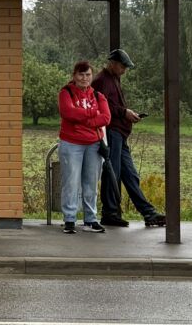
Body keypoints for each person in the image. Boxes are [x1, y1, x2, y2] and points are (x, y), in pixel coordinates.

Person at [92, 49, 166, 228]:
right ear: (113, 63)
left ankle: (148, 213)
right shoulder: (102, 80)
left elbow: (113, 105)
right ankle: (110, 213)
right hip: (111, 133)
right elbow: (104, 106)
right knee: (112, 174)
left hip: (120, 134)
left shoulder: (114, 79)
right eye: (123, 66)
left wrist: (127, 114)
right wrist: (125, 112)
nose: (124, 70)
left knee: (130, 175)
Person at [57, 60, 110, 235]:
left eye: (88, 74)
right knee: (71, 182)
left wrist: (83, 122)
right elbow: (68, 113)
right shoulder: (66, 93)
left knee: (91, 183)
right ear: (74, 75)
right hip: (71, 144)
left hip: (94, 145)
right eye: (81, 74)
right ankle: (70, 220)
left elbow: (106, 118)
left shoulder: (98, 96)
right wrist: (91, 114)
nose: (84, 78)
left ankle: (90, 219)